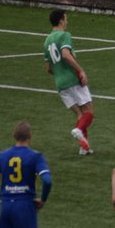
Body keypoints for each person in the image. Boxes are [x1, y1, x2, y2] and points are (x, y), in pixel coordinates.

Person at [44, 9, 95, 155]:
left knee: (80, 116)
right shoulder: (65, 35)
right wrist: (81, 70)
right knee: (89, 112)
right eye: (66, 19)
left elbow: (48, 68)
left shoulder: (47, 40)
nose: (67, 21)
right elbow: (66, 55)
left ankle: (83, 148)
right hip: (73, 79)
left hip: (60, 84)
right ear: (60, 20)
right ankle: (78, 131)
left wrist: (60, 73)